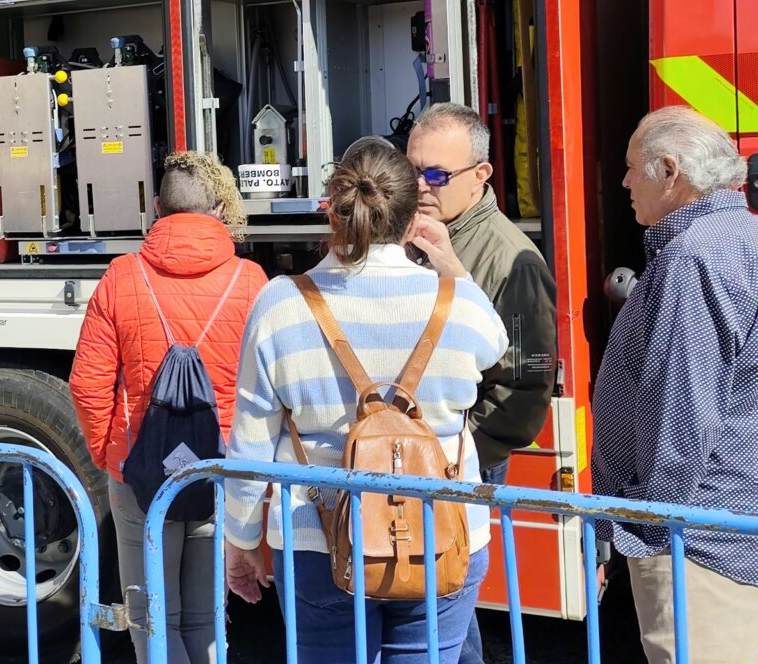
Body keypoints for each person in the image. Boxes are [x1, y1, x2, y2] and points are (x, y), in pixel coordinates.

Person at [224, 140, 507, 664]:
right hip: (444, 531)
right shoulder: (459, 303)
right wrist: (449, 265)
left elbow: (251, 442)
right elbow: (496, 340)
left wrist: (239, 538)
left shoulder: (280, 304)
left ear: (332, 211)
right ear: (410, 218)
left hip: (317, 540)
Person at [69, 151, 267, 664]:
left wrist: (109, 455)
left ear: (157, 207)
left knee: (153, 619)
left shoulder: (122, 276)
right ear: (220, 212)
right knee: (205, 619)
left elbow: (89, 385)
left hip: (138, 471)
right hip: (217, 468)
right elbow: (268, 393)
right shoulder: (251, 282)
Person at [591, 107, 757, 664]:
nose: (623, 182)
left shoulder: (692, 258)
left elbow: (680, 420)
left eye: (632, 167)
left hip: (698, 547)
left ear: (669, 169)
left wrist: (646, 528)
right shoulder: (745, 236)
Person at [405, 105, 557, 663]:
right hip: (419, 454)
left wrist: (467, 452)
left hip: (460, 458)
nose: (421, 185)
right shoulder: (417, 234)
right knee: (437, 601)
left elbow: (529, 381)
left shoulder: (512, 258)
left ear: (482, 174)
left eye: (436, 175)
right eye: (413, 169)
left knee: (447, 595)